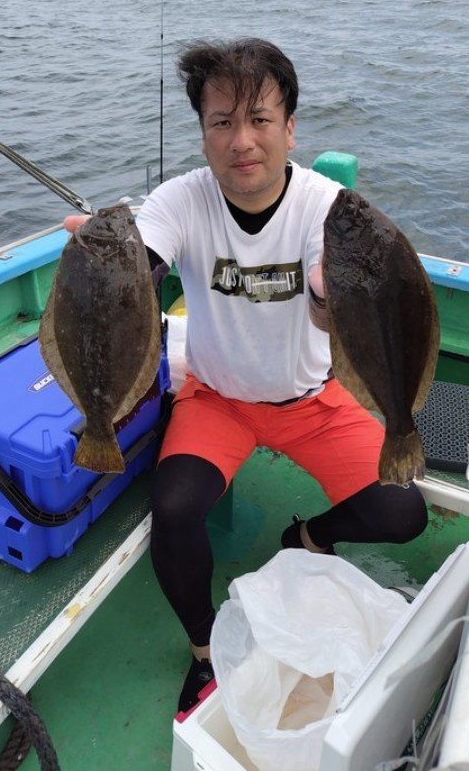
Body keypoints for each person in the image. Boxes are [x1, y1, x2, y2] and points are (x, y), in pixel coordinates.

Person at [68, 38, 428, 715]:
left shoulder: (330, 209)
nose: (242, 141)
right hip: (217, 398)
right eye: (222, 122)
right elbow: (145, 256)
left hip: (312, 397)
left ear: (290, 127)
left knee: (402, 511)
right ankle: (206, 652)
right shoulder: (179, 201)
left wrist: (327, 296)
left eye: (260, 120)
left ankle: (311, 537)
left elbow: (336, 321)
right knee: (173, 512)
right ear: (202, 133)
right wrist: (111, 266)